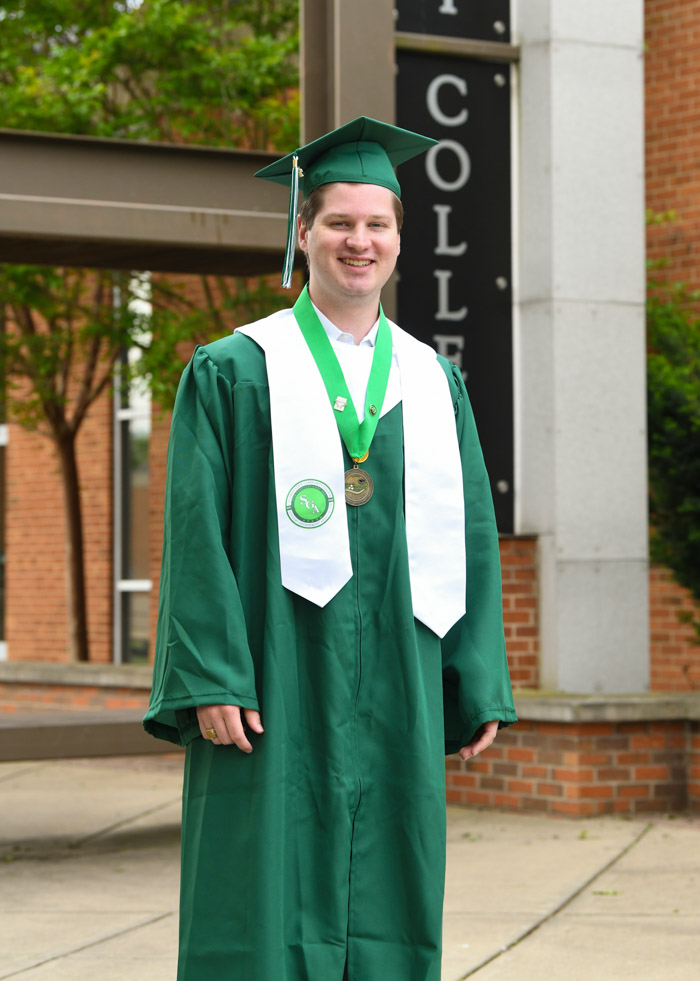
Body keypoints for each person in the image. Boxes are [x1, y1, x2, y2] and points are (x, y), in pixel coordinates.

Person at [144, 116, 516, 981]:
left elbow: (469, 531)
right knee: (262, 888)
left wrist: (474, 671)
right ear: (302, 232)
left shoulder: (432, 378)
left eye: (377, 223)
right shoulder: (238, 370)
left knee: (394, 882)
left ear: (398, 238)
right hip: (277, 673)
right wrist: (211, 674)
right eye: (339, 222)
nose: (360, 241)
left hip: (399, 674)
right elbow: (195, 532)